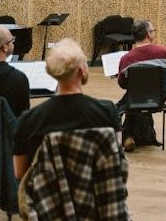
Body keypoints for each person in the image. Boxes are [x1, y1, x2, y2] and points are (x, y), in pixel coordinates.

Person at [13, 40, 121, 178]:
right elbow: (116, 162)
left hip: (48, 196)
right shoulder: (107, 111)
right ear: (82, 70)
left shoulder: (29, 119)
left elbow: (20, 173)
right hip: (94, 194)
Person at [116, 20, 166, 152]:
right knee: (133, 101)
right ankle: (141, 136)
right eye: (153, 30)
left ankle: (127, 137)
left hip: (134, 100)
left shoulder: (126, 58)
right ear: (148, 34)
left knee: (120, 106)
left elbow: (123, 84)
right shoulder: (164, 52)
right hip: (158, 99)